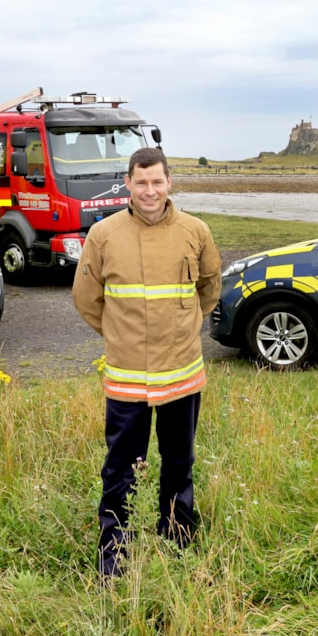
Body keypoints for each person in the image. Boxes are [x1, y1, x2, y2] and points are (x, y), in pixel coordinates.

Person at [73, 147, 222, 578]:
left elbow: (209, 288)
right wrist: (121, 335)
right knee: (121, 467)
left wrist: (185, 323)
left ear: (169, 182)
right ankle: (113, 553)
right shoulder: (103, 235)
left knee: (179, 462)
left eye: (157, 181)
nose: (150, 190)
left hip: (181, 373)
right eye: (141, 182)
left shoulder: (196, 230)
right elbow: (87, 299)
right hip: (126, 376)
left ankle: (177, 537)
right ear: (128, 184)